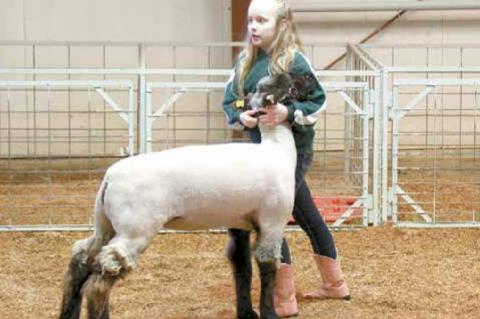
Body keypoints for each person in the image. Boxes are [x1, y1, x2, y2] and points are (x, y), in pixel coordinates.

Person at [222, 0, 350, 317]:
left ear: (281, 25)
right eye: (251, 21)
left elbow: (317, 102)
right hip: (260, 153)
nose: (253, 27)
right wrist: (243, 117)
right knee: (304, 212)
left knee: (270, 218)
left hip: (293, 153)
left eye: (261, 21)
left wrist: (288, 112)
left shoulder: (295, 62)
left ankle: (283, 300)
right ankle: (335, 285)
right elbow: (231, 101)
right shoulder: (244, 63)